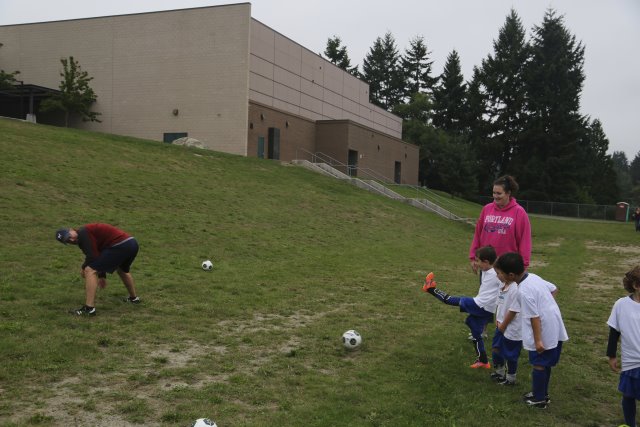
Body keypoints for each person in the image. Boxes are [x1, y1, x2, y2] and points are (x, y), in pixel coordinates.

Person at [494, 252, 568, 409]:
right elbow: (554, 289)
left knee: (539, 363)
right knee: (545, 362)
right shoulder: (534, 276)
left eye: (502, 274)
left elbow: (534, 318)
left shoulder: (524, 291)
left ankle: (540, 399)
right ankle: (541, 393)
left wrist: (538, 340)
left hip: (543, 328)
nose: (500, 276)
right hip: (554, 323)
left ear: (511, 275)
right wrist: (546, 305)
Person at [421, 246, 500, 369]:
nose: (476, 263)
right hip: (485, 308)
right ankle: (483, 361)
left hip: (480, 305)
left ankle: (430, 288)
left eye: (478, 261)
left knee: (450, 300)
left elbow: (508, 283)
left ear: (486, 262)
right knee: (476, 334)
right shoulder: (485, 269)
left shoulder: (497, 274)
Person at [55, 223, 140, 316]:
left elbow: (93, 257)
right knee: (122, 270)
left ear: (72, 230)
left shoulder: (83, 233)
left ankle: (89, 309)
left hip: (120, 245)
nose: (71, 240)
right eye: (68, 241)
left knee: (89, 270)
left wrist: (83, 268)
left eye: (69, 236)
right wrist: (102, 275)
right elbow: (100, 255)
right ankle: (134, 298)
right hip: (132, 243)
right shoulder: (85, 235)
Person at [469, 175, 531, 273]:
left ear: (508, 193)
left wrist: (523, 265)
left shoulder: (519, 212)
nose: (495, 196)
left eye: (499, 193)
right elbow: (477, 234)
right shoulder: (487, 209)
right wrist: (473, 257)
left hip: (507, 266)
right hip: (486, 264)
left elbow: (525, 240)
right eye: (494, 193)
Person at [607, 266, 640, 427]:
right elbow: (614, 331)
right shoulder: (621, 305)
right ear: (636, 285)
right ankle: (630, 424)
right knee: (628, 395)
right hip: (631, 361)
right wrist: (612, 355)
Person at [489, 272, 522, 386]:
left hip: (512, 328)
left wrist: (503, 325)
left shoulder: (516, 289)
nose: (497, 275)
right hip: (500, 326)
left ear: (510, 274)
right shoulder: (502, 285)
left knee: (511, 354)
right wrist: (497, 319)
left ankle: (511, 378)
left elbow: (514, 311)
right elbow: (500, 304)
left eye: (499, 273)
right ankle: (499, 372)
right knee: (496, 348)